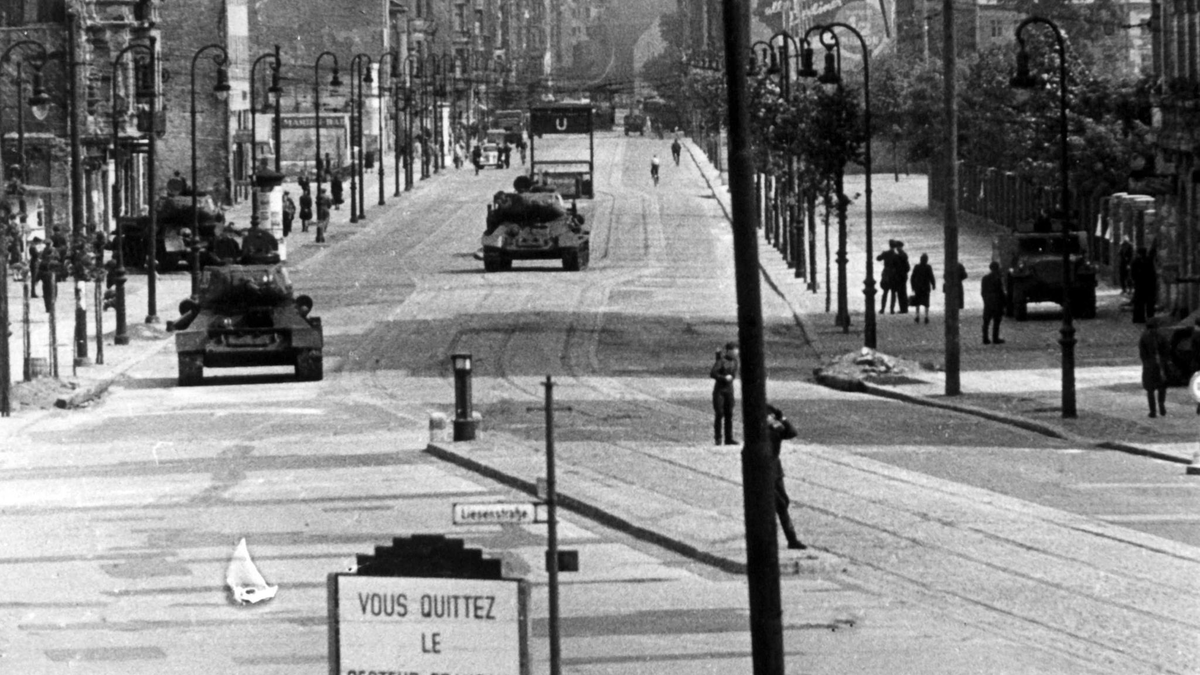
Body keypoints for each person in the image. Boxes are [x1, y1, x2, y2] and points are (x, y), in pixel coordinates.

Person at [767, 404, 806, 550]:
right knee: (780, 505)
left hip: (776, 469)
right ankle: (792, 540)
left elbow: (792, 432)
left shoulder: (774, 421)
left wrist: (782, 417)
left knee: (784, 501)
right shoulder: (759, 425)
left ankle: (789, 539)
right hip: (763, 470)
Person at [1139, 317, 1170, 418]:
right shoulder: (1162, 336)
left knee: (1150, 390)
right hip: (1161, 365)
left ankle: (1152, 411)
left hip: (1149, 366)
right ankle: (1161, 404)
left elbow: (1142, 354)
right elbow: (1167, 350)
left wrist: (1146, 362)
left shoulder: (1144, 337)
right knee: (1162, 387)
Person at [710, 342, 739, 445]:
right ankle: (718, 438)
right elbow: (713, 373)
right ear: (729, 351)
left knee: (729, 415)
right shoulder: (721, 361)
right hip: (720, 391)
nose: (737, 352)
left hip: (729, 391)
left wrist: (730, 378)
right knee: (719, 414)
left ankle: (729, 439)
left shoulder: (735, 362)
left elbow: (733, 375)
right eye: (735, 350)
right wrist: (723, 378)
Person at [981, 261, 1007, 344]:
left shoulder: (985, 278)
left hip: (988, 302)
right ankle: (995, 338)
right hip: (997, 302)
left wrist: (985, 300)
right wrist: (1004, 302)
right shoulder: (998, 278)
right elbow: (1000, 291)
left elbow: (983, 292)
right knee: (996, 321)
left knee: (986, 322)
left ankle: (985, 338)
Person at [1131, 246, 1156, 323]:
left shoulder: (1137, 261)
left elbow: (1133, 274)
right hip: (1146, 284)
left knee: (1141, 302)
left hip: (1142, 284)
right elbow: (1152, 273)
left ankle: (1142, 318)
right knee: (1146, 302)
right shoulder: (1147, 261)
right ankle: (1148, 318)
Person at [909, 253, 936, 324]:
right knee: (926, 303)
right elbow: (931, 277)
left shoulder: (916, 267)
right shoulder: (928, 267)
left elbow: (912, 277)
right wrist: (933, 284)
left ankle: (917, 316)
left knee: (917, 302)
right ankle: (926, 317)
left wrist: (912, 286)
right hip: (926, 287)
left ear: (920, 259)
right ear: (926, 260)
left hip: (918, 287)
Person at [877, 240, 899, 313]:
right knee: (893, 292)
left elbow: (878, 258)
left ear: (889, 245)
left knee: (885, 292)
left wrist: (882, 254)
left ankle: (882, 309)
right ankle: (892, 309)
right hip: (894, 274)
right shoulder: (896, 255)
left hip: (886, 274)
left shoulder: (886, 253)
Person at [894, 241, 911, 314]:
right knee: (903, 292)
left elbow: (906, 267)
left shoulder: (901, 256)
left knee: (901, 293)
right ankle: (904, 308)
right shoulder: (903, 255)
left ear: (900, 247)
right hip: (903, 276)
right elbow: (908, 268)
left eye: (897, 247)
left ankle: (903, 309)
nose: (896, 248)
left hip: (900, 276)